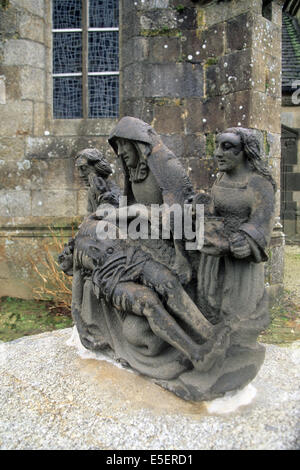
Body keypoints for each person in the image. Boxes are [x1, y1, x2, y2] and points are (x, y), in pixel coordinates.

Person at [196, 127, 276, 337]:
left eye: (227, 147)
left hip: (240, 264)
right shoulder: (220, 180)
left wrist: (246, 241)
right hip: (214, 259)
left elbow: (262, 221)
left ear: (245, 152)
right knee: (211, 307)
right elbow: (214, 212)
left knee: (238, 315)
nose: (218, 153)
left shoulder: (259, 184)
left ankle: (239, 351)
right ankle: (214, 347)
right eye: (217, 147)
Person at [75, 148, 120, 213]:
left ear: (98, 167)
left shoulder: (114, 192)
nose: (81, 175)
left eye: (84, 168)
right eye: (78, 169)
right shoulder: (92, 191)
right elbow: (89, 216)